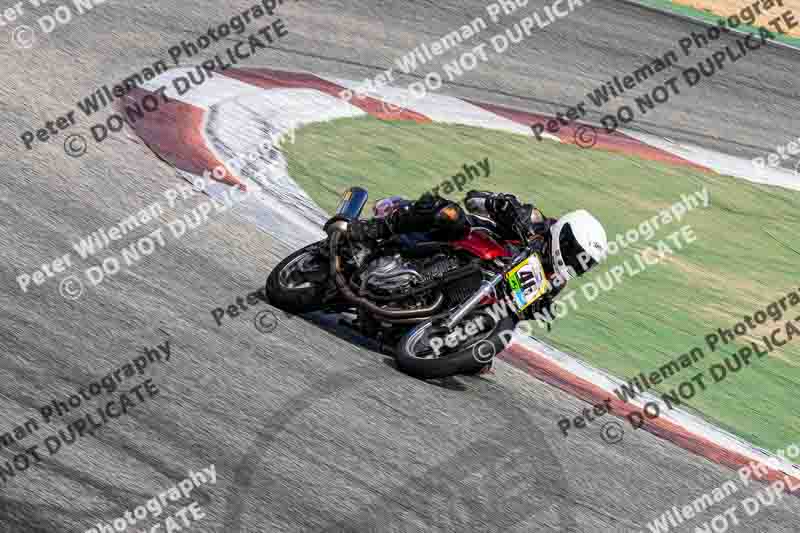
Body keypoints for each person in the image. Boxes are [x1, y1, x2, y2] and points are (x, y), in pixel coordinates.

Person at [347, 190, 608, 291]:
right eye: (577, 254)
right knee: (449, 214)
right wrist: (498, 204)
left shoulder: (553, 282)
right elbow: (472, 199)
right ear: (565, 237)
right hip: (462, 240)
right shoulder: (533, 221)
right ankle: (372, 229)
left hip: (475, 286)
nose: (576, 263)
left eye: (584, 263)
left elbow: (516, 316)